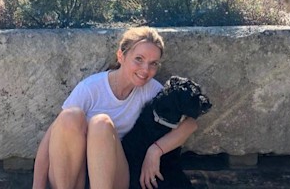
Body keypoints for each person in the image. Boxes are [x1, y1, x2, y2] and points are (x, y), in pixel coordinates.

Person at [32, 27, 198, 189]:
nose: (145, 70)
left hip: (112, 174)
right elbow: (49, 143)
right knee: (70, 116)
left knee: (101, 124)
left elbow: (190, 124)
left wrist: (155, 151)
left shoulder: (151, 90)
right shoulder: (91, 88)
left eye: (153, 63)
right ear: (121, 56)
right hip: (75, 175)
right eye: (139, 59)